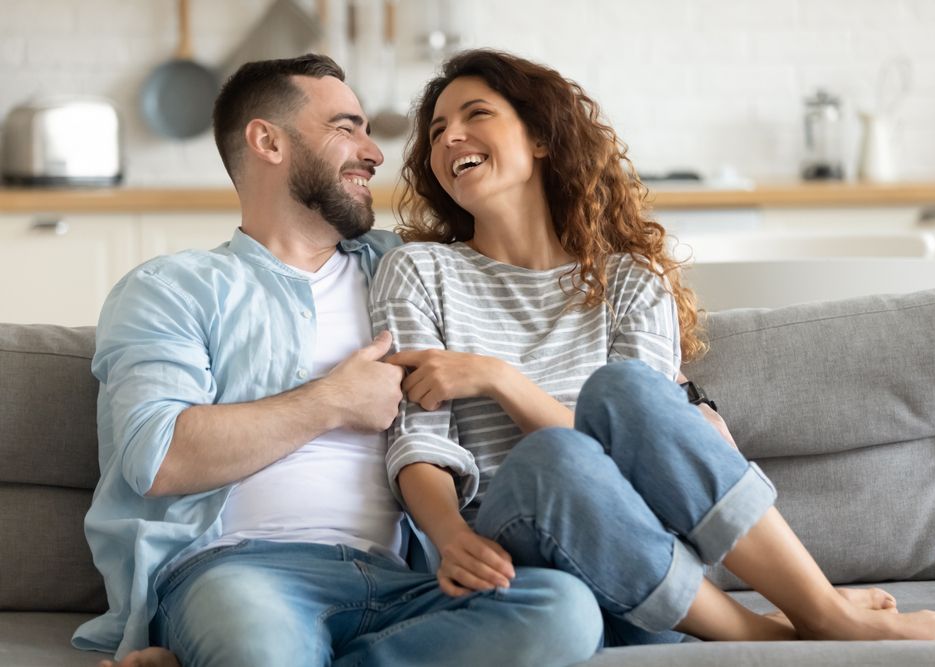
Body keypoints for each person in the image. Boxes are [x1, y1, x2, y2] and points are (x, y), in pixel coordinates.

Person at [368, 48, 935, 646]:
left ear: (540, 137)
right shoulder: (419, 272)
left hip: (646, 557)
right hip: (517, 553)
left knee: (630, 391)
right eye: (438, 129)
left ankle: (818, 607)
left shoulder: (632, 280)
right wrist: (448, 535)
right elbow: (418, 437)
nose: (449, 138)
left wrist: (502, 379)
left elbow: (635, 442)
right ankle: (781, 628)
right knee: (552, 459)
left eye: (476, 114)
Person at [72, 54, 604, 667]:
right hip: (240, 573)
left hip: (404, 581)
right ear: (268, 140)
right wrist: (331, 402)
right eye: (346, 127)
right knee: (261, 647)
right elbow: (158, 457)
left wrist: (689, 400)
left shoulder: (411, 270)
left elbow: (555, 318)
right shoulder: (174, 288)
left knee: (562, 610)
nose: (375, 154)